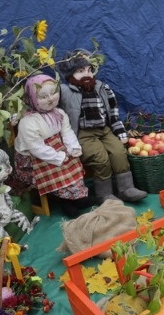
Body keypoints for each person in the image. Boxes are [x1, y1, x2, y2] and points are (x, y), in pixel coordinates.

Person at [57, 50, 147, 203]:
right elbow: (48, 103)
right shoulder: (64, 91)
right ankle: (104, 194)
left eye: (88, 70)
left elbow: (113, 113)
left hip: (104, 130)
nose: (86, 74)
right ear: (70, 74)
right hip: (83, 133)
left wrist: (119, 132)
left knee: (119, 151)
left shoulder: (102, 88)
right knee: (100, 157)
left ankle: (126, 188)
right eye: (80, 71)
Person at [14, 74, 100, 217]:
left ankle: (78, 198)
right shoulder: (28, 122)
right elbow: (36, 148)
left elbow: (67, 132)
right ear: (33, 99)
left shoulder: (59, 113)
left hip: (55, 148)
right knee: (59, 167)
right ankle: (65, 201)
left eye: (53, 93)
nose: (50, 99)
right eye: (43, 97)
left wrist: (73, 147)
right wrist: (58, 157)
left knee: (74, 161)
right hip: (33, 158)